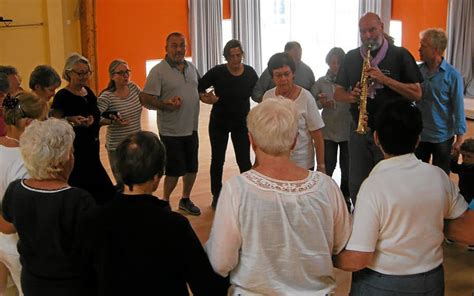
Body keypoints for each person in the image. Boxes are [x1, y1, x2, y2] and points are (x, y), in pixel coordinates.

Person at [206, 98, 351, 295]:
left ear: (252, 140)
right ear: (294, 141)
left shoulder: (237, 189)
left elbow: (221, 262)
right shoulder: (326, 187)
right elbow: (341, 245)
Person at [334, 100, 474, 295]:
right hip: (430, 280)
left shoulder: (373, 186)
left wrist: (329, 256)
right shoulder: (438, 177)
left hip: (382, 283)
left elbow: (359, 258)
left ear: (376, 138)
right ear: (417, 140)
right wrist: (429, 222)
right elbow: (468, 230)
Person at [83, 131, 228, 295]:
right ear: (157, 176)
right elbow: (206, 285)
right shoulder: (174, 225)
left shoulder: (94, 219)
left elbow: (85, 280)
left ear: (119, 169)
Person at [334, 12, 423, 204]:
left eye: (372, 29)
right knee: (357, 181)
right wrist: (352, 96)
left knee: (390, 183)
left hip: (392, 132)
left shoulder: (400, 55)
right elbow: (337, 93)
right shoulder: (351, 57)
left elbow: (416, 93)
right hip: (360, 129)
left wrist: (384, 79)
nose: (367, 35)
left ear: (382, 27)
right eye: (362, 31)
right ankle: (361, 216)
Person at [2, 118, 96, 296]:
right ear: (64, 159)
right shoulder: (78, 200)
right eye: (72, 151)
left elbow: (7, 227)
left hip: (32, 281)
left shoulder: (15, 190)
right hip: (70, 285)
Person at [140, 32, 216, 215]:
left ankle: (185, 199)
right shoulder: (158, 71)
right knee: (174, 171)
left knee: (192, 168)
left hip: (191, 128)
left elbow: (198, 91)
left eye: (182, 45)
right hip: (171, 131)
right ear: (166, 48)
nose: (179, 49)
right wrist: (164, 104)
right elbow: (145, 98)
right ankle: (165, 201)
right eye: (174, 45)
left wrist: (206, 98)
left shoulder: (191, 68)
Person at [198, 39, 258, 209]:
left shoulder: (250, 73)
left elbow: (259, 92)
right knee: (217, 160)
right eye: (231, 56)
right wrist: (205, 97)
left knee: (244, 160)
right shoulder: (218, 72)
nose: (235, 59)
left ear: (242, 55)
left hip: (241, 124)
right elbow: (200, 86)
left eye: (238, 55)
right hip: (219, 122)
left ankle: (248, 193)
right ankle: (217, 194)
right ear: (226, 57)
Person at [51, 53, 115, 205]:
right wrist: (71, 121)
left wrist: (109, 120)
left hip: (92, 150)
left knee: (105, 194)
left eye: (87, 72)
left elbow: (96, 117)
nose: (84, 76)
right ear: (68, 73)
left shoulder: (88, 92)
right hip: (75, 153)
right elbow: (54, 123)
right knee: (84, 194)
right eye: (80, 73)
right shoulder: (62, 96)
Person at [0, 92, 48, 296]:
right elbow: (20, 215)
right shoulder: (23, 161)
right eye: (43, 121)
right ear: (29, 123)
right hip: (17, 244)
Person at [263, 52, 325, 172]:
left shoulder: (306, 98)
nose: (283, 79)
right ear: (272, 77)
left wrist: (321, 166)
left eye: (287, 74)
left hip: (302, 163)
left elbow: (317, 134)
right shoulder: (268, 97)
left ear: (293, 74)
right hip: (275, 162)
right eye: (278, 75)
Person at [415, 28, 466, 174]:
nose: (419, 49)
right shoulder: (417, 71)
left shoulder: (452, 75)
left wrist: (459, 139)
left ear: (435, 50)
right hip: (420, 136)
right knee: (417, 176)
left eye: (423, 46)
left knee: (441, 178)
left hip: (442, 138)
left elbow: (458, 108)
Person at [311, 47, 351, 200]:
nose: (336, 66)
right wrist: (321, 103)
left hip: (347, 130)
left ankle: (345, 197)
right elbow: (312, 103)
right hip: (328, 131)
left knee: (347, 168)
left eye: (339, 63)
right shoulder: (321, 82)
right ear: (328, 63)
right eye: (333, 63)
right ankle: (325, 197)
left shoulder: (350, 81)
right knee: (327, 165)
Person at [97, 59, 142, 188]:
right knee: (123, 184)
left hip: (135, 143)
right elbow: (95, 118)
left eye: (127, 72)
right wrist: (112, 121)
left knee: (136, 181)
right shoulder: (107, 96)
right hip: (117, 147)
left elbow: (145, 101)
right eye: (121, 73)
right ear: (112, 76)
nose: (126, 75)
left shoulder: (133, 88)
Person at [451, 138, 474, 251]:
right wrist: (455, 156)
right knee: (458, 214)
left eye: (469, 156)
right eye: (463, 156)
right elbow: (454, 168)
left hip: (472, 199)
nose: (465, 159)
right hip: (463, 196)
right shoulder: (464, 167)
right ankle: (454, 234)